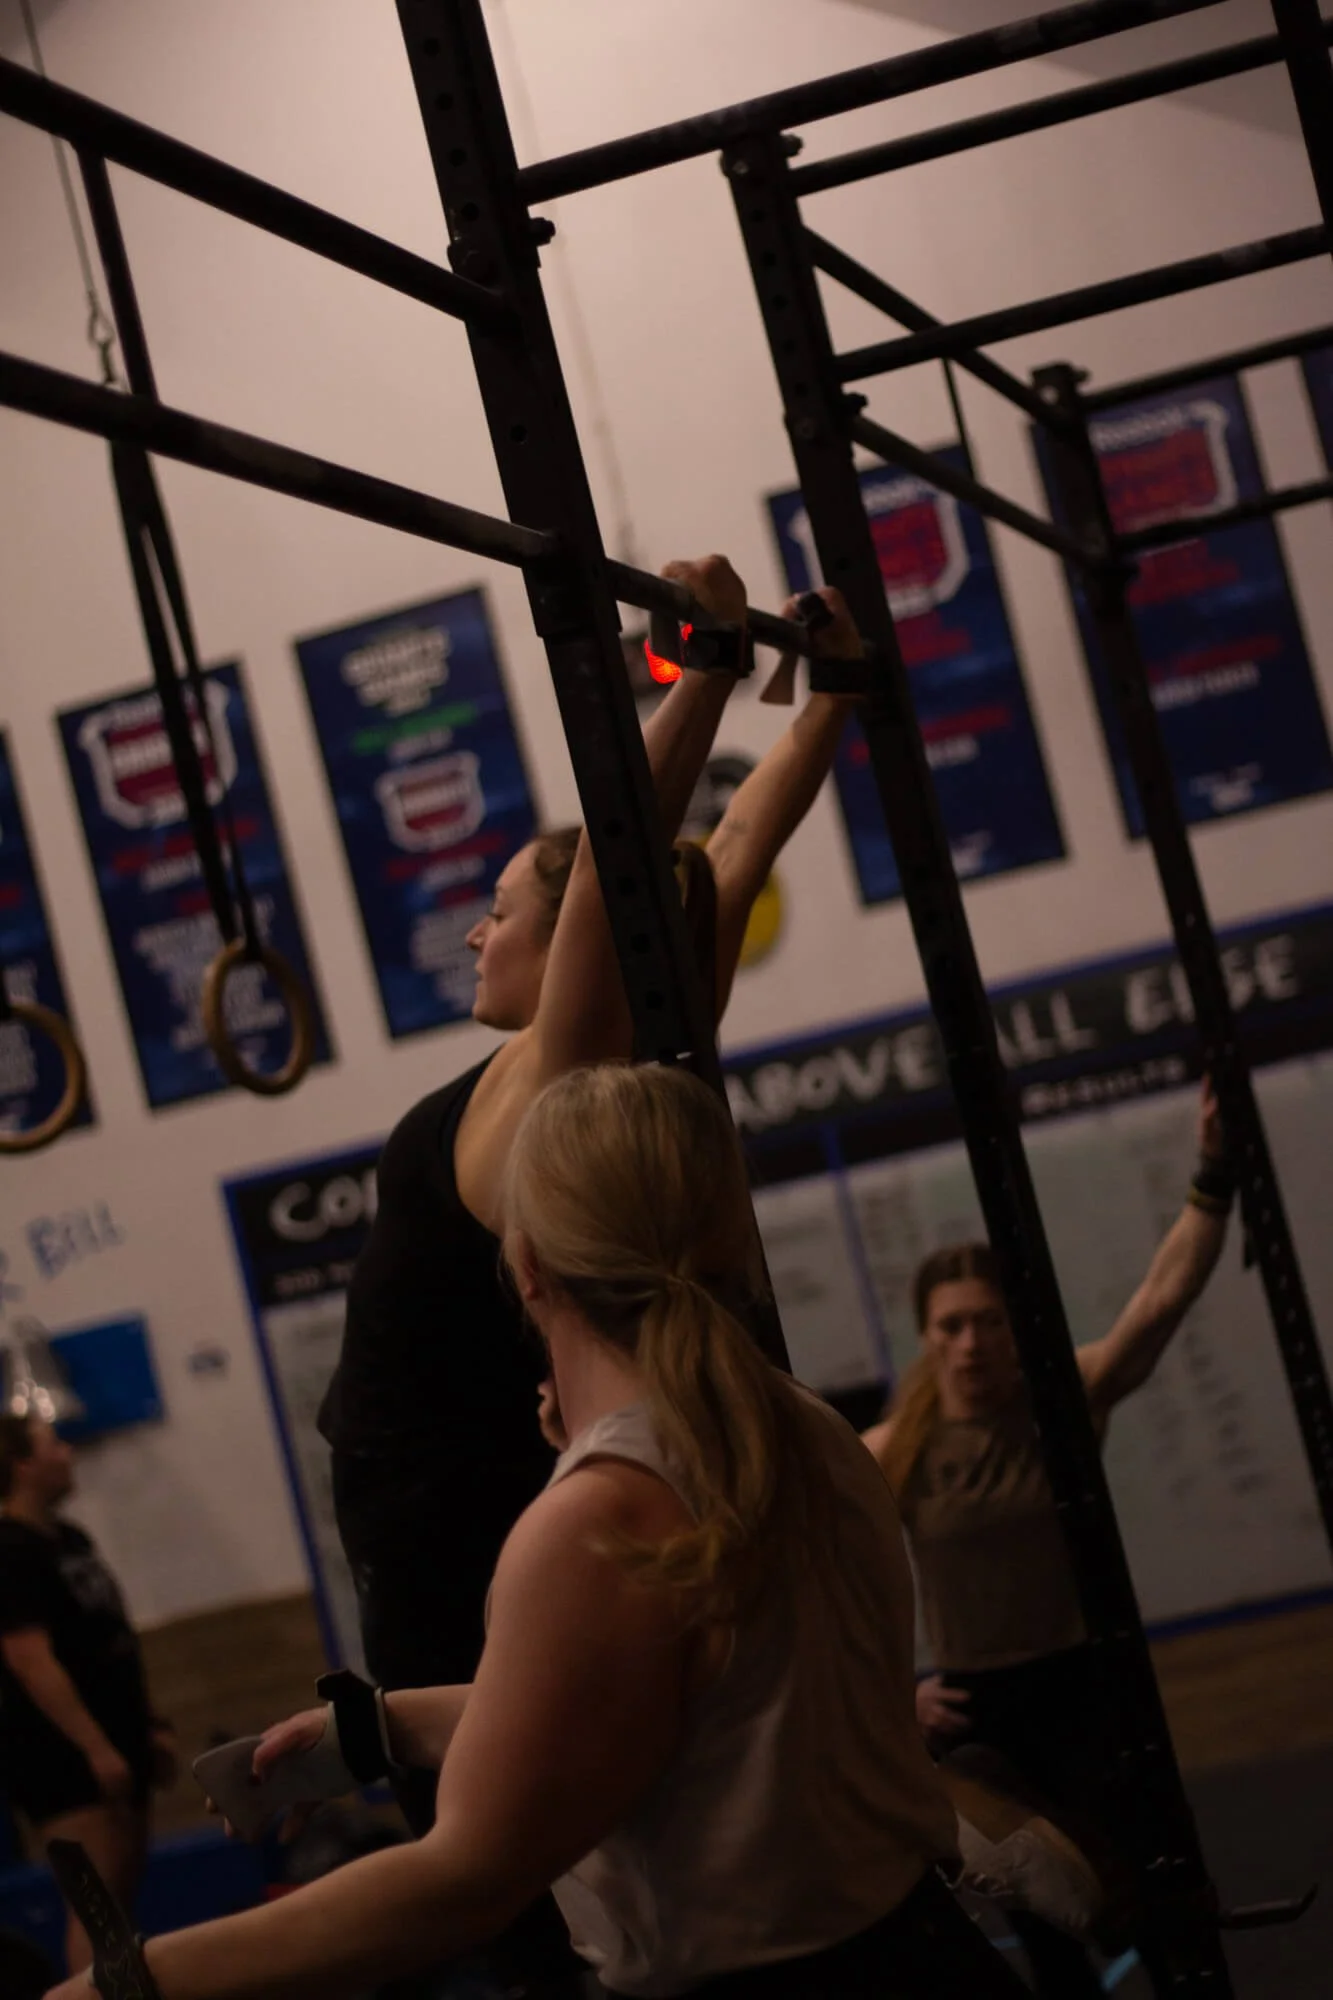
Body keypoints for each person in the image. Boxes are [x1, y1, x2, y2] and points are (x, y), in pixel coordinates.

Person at [47, 1062, 1030, 2000]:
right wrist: (382, 1724)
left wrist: (130, 1980)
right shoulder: (806, 1432)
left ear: (523, 1266)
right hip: (926, 1958)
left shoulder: (599, 1518)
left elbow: (459, 1882)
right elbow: (661, 1700)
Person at [317, 556, 864, 1991]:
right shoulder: (665, 1016)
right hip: (478, 1500)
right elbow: (733, 842)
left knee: (502, 1892)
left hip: (445, 1537)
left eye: (501, 909)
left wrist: (698, 673)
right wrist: (826, 702)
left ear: (571, 936)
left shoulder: (554, 1083)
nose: (475, 931)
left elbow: (650, 848)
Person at [861, 1079, 1234, 1996]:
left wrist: (1214, 1176)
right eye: (951, 1326)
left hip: (1082, 1682)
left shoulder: (1059, 1405)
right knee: (1045, 1931)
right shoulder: (887, 1451)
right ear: (926, 1337)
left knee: (1142, 1887)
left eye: (988, 1321)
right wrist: (895, 1694)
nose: (971, 1342)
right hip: (977, 1709)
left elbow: (1158, 1304)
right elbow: (831, 1585)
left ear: (1010, 1330)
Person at [0, 1415, 175, 1975]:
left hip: (116, 1742)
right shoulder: (9, 1551)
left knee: (117, 1902)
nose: (69, 1453)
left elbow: (109, 1641)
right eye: (54, 1444)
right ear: (22, 1463)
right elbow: (29, 1659)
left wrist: (147, 1725)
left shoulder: (69, 1539)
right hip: (63, 1760)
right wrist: (94, 1748)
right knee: (95, 1910)